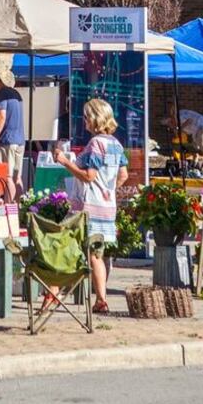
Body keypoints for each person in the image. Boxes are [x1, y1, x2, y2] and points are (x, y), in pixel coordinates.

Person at [54, 98, 127, 315]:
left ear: (95, 118)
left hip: (88, 207)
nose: (84, 121)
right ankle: (101, 299)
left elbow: (88, 176)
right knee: (98, 253)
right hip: (107, 206)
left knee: (64, 246)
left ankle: (54, 293)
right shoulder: (116, 144)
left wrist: (66, 162)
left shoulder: (96, 143)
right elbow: (122, 175)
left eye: (86, 116)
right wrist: (107, 189)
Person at [0, 72, 26, 198]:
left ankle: (9, 209)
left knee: (7, 177)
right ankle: (17, 210)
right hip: (20, 140)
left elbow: (2, 116)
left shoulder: (0, 94)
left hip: (6, 140)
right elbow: (9, 114)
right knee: (17, 176)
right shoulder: (15, 93)